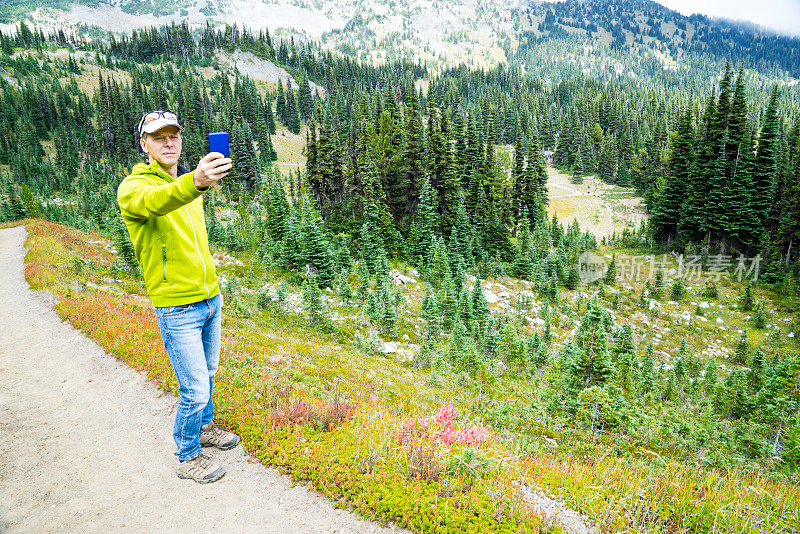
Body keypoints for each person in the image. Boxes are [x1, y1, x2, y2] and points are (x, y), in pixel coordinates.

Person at [117, 110, 239, 484]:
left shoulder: (186, 186)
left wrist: (193, 183)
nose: (169, 143)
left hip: (209, 298)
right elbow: (158, 201)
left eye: (174, 136)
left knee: (209, 372)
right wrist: (195, 181)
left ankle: (204, 429)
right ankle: (187, 455)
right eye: (159, 138)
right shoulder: (134, 188)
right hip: (177, 306)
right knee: (195, 386)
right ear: (145, 145)